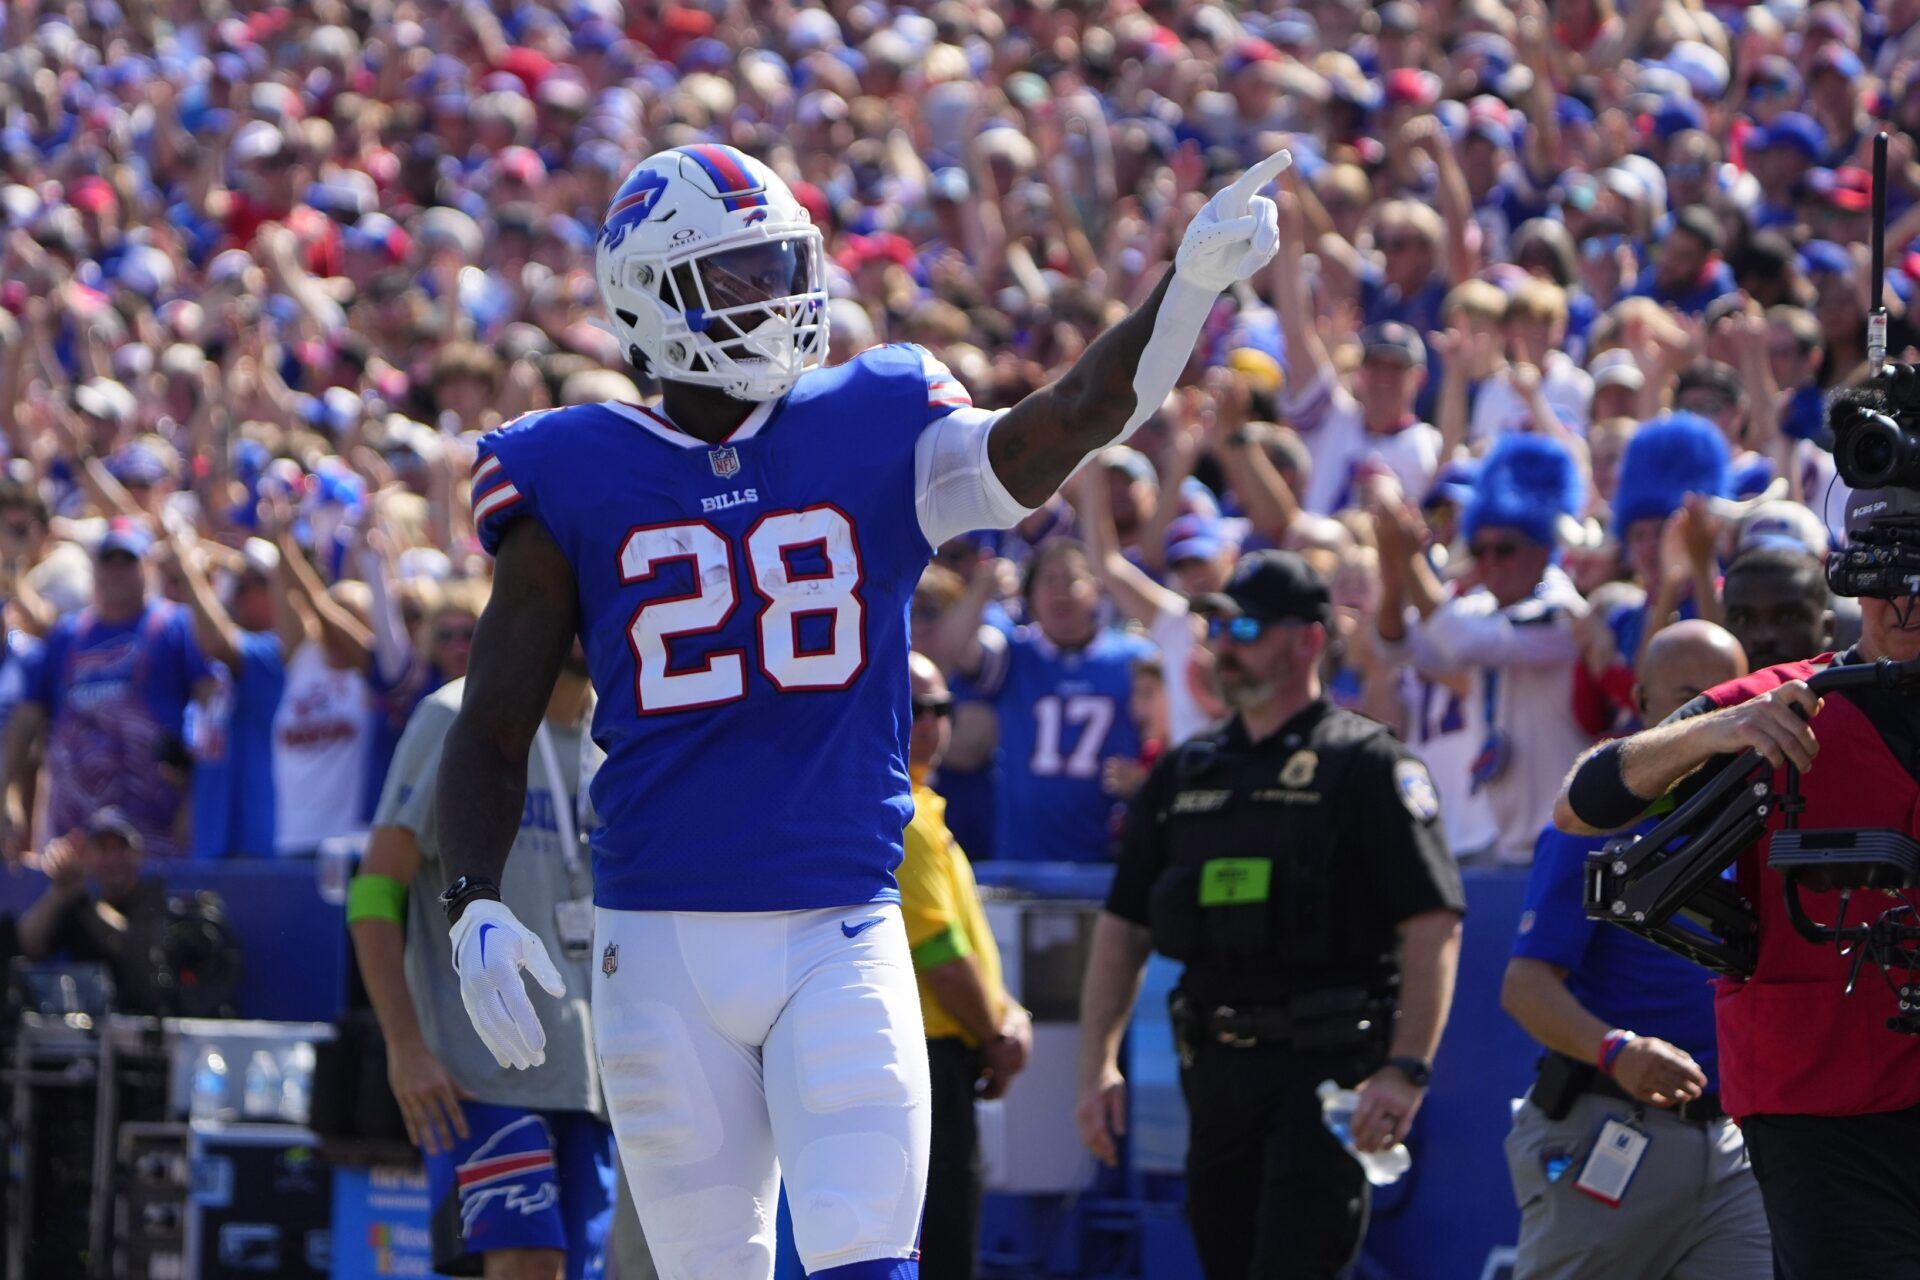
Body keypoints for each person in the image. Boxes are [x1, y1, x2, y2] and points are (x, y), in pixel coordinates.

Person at [431, 142, 1296, 1280]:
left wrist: (1186, 291)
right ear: (651, 297)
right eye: (735, 275)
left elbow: (1071, 420)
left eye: (781, 263)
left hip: (836, 922)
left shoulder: (873, 417)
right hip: (656, 940)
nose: (775, 296)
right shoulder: (573, 467)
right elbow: (493, 720)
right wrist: (470, 898)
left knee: (868, 1258)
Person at [1553, 482, 1920, 1278]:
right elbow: (1579, 804)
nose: (1901, 603)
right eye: (1879, 578)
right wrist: (1714, 730)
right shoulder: (1781, 700)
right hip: (1822, 1102)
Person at [1075, 550, 1465, 1280]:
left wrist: (1407, 1068)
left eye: (1247, 627)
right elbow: (1123, 926)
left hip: (1325, 1070)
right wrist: (1096, 1066)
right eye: (1218, 626)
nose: (1226, 645)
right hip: (1215, 1071)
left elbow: (1432, 922)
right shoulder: (1189, 770)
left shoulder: (1367, 764)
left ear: (1308, 640)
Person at [1502, 620, 1771, 1279]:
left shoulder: (1761, 809)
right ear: (1644, 704)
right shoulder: (1596, 816)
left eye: (1726, 701)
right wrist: (1616, 1051)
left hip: (1731, 1141)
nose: (1711, 718)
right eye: (1690, 699)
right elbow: (1525, 985)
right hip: (1611, 1124)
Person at [349, 648, 625, 1280]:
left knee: (573, 1270)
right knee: (525, 1262)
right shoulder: (459, 715)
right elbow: (373, 891)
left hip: (592, 1074)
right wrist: (404, 1046)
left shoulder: (617, 730)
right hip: (479, 1073)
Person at [1377, 434, 1591, 864]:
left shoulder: (1563, 612)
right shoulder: (1479, 608)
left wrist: (1411, 564)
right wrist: (1396, 576)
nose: (1490, 562)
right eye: (1480, 549)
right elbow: (1394, 648)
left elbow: (1463, 640)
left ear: (1541, 548)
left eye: (1505, 549)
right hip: (1507, 840)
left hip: (1569, 838)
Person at [898, 653, 1030, 1280]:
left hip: (939, 1059)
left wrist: (1007, 1016)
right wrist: (998, 1035)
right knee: (942, 1254)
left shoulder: (921, 810)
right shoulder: (907, 818)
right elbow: (942, 959)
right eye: (915, 707)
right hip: (929, 1061)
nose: (930, 722)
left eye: (941, 708)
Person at [1, 519, 213, 860]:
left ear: (146, 566)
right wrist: (6, 793)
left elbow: (211, 705)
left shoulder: (175, 626)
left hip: (157, 834)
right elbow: (27, 718)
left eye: (127, 561)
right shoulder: (67, 635)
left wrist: (196, 798)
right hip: (74, 840)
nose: (117, 572)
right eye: (108, 561)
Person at [945, 540, 1157, 861]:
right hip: (1025, 857)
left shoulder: (1134, 658)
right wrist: (981, 590)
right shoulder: (1014, 654)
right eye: (1048, 580)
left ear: (1096, 589)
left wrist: (1144, 776)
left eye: (1071, 580)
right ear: (1030, 594)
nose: (1060, 591)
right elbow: (954, 650)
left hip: (1109, 857)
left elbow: (1165, 737)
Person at [16, 807, 192, 1014]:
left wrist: (83, 898)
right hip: (88, 1028)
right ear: (88, 856)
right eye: (103, 848)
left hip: (145, 1025)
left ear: (139, 854)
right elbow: (28, 947)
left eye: (121, 848)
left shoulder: (154, 899)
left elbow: (134, 950)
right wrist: (58, 892)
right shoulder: (75, 900)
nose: (113, 858)